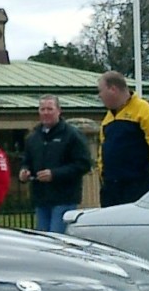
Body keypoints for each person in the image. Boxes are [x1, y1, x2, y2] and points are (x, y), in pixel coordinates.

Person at [18, 95, 93, 233]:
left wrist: (55, 174)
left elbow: (83, 164)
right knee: (43, 239)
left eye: (50, 109)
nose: (46, 113)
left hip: (64, 198)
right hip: (41, 199)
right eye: (42, 109)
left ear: (59, 111)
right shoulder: (33, 137)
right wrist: (24, 171)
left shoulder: (72, 135)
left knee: (56, 239)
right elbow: (26, 161)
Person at [96, 71, 149, 207]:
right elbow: (102, 150)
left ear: (113, 89)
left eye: (100, 91)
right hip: (111, 187)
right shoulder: (108, 118)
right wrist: (103, 175)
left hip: (137, 185)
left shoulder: (143, 110)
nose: (99, 96)